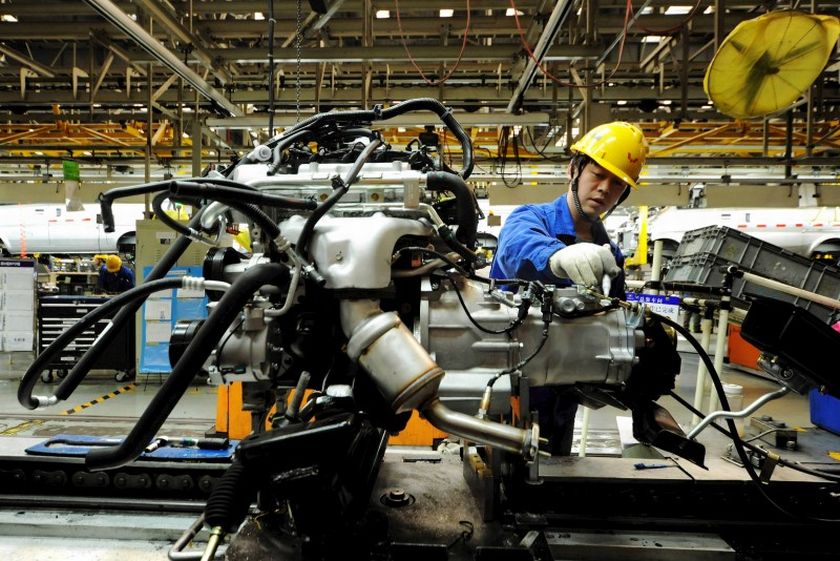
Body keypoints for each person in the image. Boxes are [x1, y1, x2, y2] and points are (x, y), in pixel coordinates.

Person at [489, 121, 649, 455]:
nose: (604, 189)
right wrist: (556, 256)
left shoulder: (610, 256)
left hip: (565, 394)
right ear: (573, 170)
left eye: (617, 184)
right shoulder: (531, 218)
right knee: (498, 471)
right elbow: (517, 247)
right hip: (510, 388)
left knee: (554, 468)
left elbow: (617, 323)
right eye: (597, 175)